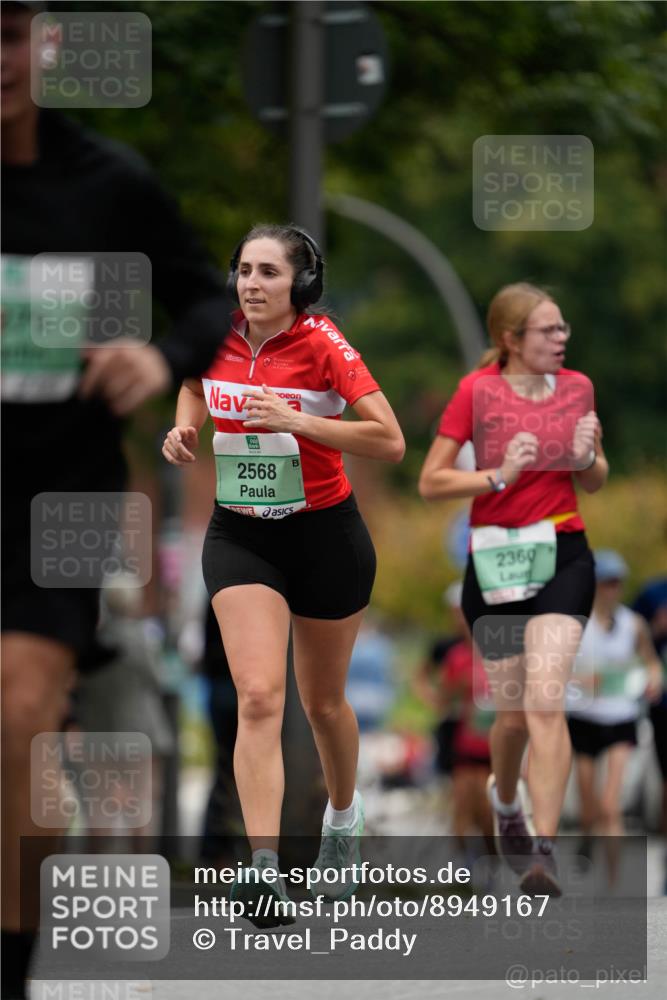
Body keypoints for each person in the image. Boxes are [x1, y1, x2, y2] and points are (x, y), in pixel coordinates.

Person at [1, 3, 233, 996]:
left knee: (17, 713)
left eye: (10, 32)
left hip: (59, 491)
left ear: (49, 43)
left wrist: (160, 355)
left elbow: (215, 299)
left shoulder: (107, 184)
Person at [162, 223, 405, 925]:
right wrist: (184, 427)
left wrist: (298, 421)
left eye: (268, 271)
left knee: (322, 704)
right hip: (240, 535)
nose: (252, 284)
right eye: (244, 270)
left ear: (301, 282)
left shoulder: (323, 344)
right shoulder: (216, 334)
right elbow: (191, 381)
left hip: (325, 536)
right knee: (259, 696)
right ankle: (263, 868)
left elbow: (389, 440)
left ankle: (342, 818)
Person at [418, 282, 608, 895]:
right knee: (512, 718)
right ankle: (506, 803)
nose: (561, 338)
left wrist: (586, 456)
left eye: (562, 328)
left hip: (564, 554)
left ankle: (542, 851)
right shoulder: (477, 392)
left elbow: (595, 478)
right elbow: (431, 482)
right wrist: (498, 475)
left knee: (546, 702)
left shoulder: (576, 388)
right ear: (511, 339)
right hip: (497, 561)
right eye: (548, 330)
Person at [566, 551, 663, 879]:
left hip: (620, 718)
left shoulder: (633, 624)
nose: (613, 589)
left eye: (617, 583)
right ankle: (586, 837)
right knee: (588, 807)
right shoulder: (576, 624)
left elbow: (651, 661)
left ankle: (613, 881)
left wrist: (653, 679)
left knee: (610, 806)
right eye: (607, 583)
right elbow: (555, 670)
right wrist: (583, 680)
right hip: (584, 719)